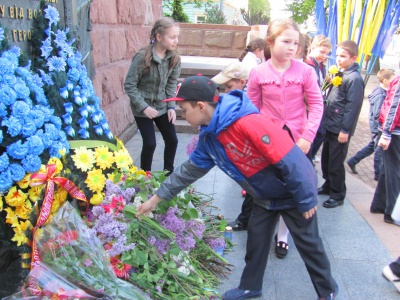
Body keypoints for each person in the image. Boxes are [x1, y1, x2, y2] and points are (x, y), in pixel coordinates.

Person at [137, 75, 338, 300]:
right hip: (262, 195)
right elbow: (189, 171)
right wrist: (155, 200)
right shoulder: (209, 138)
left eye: (184, 108)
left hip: (291, 193)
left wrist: (307, 198)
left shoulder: (247, 122)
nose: (183, 114)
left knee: (309, 245)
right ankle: (250, 287)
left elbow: (292, 159)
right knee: (256, 244)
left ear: (200, 106)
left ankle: (327, 290)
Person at [245, 18, 324, 258]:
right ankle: (262, 230)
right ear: (270, 42)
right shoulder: (258, 72)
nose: (292, 47)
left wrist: (308, 136)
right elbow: (250, 109)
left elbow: (317, 105)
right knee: (270, 187)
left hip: (298, 142)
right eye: (286, 41)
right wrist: (255, 139)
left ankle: (283, 236)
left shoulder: (306, 71)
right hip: (268, 142)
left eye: (295, 43)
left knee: (293, 188)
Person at [124, 17, 181, 174]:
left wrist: (171, 106)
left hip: (162, 105)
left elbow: (171, 84)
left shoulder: (175, 58)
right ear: (159, 37)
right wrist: (144, 108)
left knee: (172, 140)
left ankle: (168, 175)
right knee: (150, 143)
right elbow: (130, 85)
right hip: (143, 107)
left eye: (177, 37)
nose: (176, 41)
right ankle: (145, 178)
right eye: (172, 37)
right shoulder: (143, 56)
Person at [318, 40, 365, 208]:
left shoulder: (354, 78)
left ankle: (338, 194)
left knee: (336, 162)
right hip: (331, 124)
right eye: (337, 55)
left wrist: (345, 129)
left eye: (343, 56)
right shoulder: (341, 73)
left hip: (340, 128)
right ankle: (329, 184)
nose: (338, 59)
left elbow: (353, 107)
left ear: (353, 58)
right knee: (327, 159)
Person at [347, 69, 395, 180]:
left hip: (378, 126)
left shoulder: (383, 91)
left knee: (373, 146)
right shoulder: (380, 94)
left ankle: (353, 160)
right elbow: (378, 113)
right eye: (392, 80)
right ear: (385, 80)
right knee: (378, 149)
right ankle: (378, 174)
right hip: (378, 126)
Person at [370, 74, 400, 224]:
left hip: (393, 130)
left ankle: (380, 205)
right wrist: (387, 132)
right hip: (394, 131)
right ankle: (391, 211)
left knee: (389, 169)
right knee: (394, 171)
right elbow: (394, 106)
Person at [305, 35, 333, 161]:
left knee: (320, 133)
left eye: (326, 53)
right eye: (322, 52)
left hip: (317, 104)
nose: (324, 56)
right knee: (315, 134)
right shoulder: (308, 64)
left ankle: (308, 159)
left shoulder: (321, 65)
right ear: (313, 47)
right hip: (308, 106)